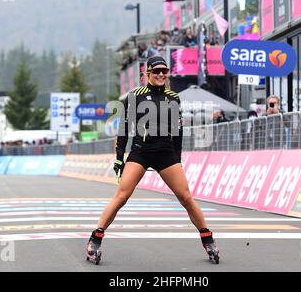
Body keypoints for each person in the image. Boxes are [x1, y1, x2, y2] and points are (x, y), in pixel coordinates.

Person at [85, 56, 220, 265]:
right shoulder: (135, 96)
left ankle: (208, 239)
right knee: (121, 196)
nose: (160, 75)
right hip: (141, 151)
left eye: (164, 71)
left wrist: (178, 159)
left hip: (166, 153)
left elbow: (178, 132)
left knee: (186, 197)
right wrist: (119, 159)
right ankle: (95, 240)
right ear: (147, 73)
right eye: (156, 71)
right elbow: (123, 130)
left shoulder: (173, 97)